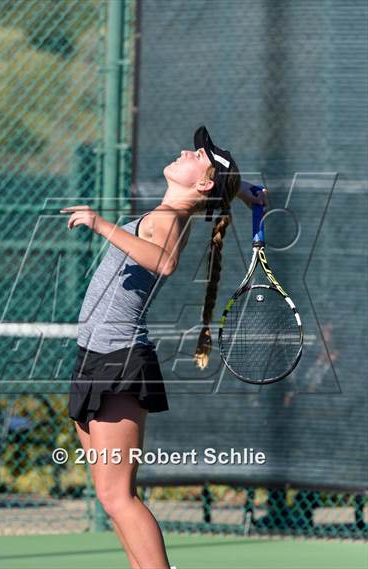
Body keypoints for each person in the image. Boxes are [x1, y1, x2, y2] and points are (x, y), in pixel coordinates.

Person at [60, 126, 268, 569]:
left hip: (118, 362)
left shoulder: (168, 221)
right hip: (95, 358)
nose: (185, 150)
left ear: (203, 182)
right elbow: (211, 194)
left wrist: (100, 224)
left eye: (197, 154)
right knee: (110, 496)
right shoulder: (172, 211)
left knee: (117, 496)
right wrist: (242, 191)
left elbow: (165, 261)